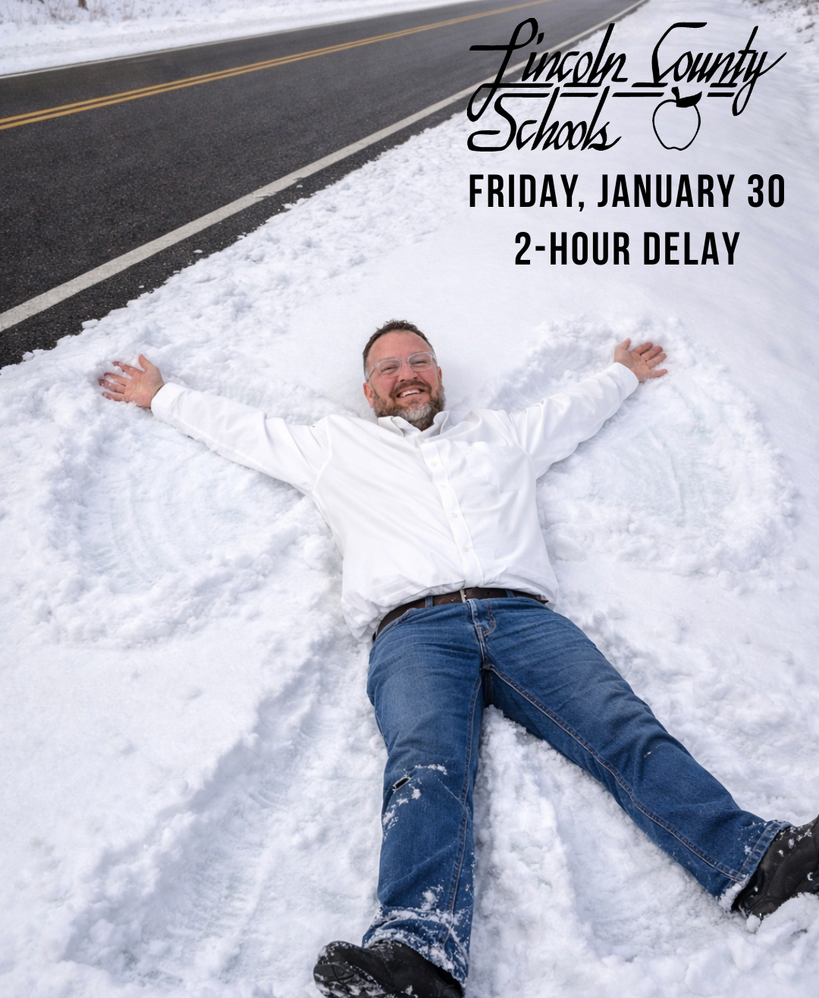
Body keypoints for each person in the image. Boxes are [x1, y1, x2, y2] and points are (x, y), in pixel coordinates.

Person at [101, 321, 819, 998]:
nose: (405, 375)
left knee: (620, 727)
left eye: (417, 362)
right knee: (425, 768)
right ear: (368, 389)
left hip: (523, 618)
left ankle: (753, 865)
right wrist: (159, 395)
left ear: (439, 375)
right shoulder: (332, 448)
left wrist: (621, 376)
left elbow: (570, 412)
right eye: (388, 367)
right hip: (412, 632)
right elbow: (244, 431)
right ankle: (418, 950)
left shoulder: (499, 438)